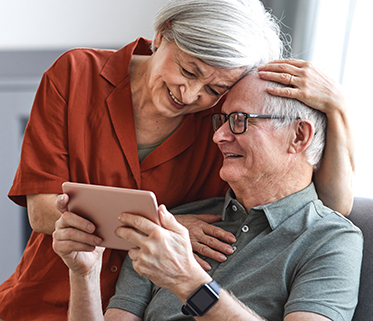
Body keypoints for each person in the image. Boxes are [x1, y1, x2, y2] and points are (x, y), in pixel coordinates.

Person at [0, 0, 355, 319]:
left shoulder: (218, 124)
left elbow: (328, 206)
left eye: (214, 90)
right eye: (188, 71)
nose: (190, 95)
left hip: (143, 296)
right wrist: (163, 227)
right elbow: (45, 210)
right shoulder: (76, 73)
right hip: (46, 296)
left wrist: (337, 109)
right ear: (162, 34)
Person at [53, 72, 363, 321]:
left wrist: (188, 281)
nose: (219, 136)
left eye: (240, 120)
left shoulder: (330, 239)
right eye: (222, 120)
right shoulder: (174, 224)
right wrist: (85, 275)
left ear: (298, 136)